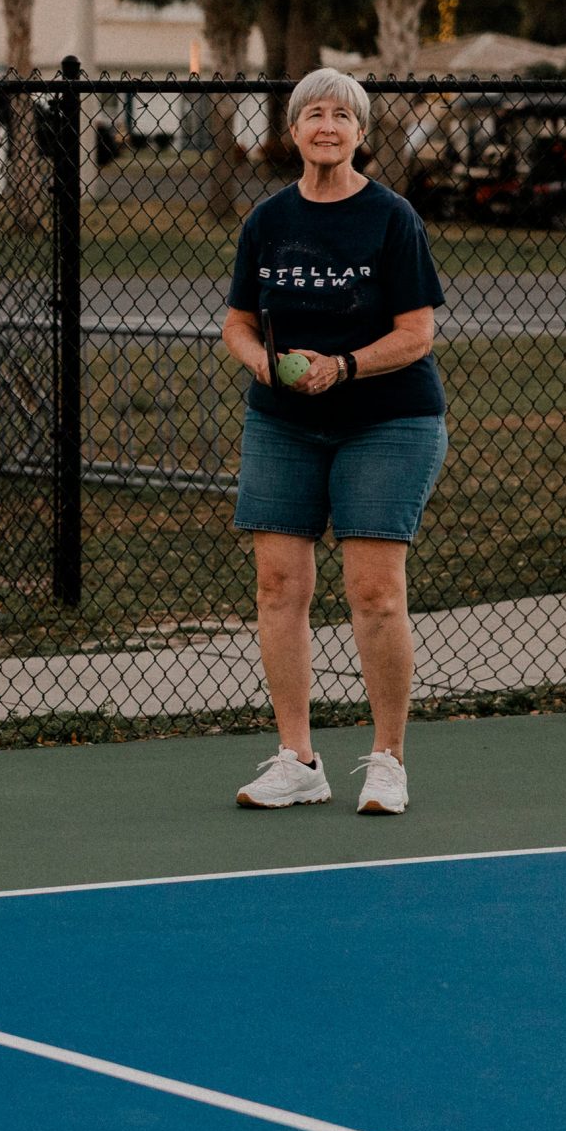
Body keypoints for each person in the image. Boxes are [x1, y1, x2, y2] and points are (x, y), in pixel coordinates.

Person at [221, 68, 448, 817]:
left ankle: (388, 760)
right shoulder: (267, 221)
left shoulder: (392, 219)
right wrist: (260, 364)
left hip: (389, 419)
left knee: (375, 592)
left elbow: (417, 333)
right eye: (312, 114)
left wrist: (344, 366)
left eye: (341, 116)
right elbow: (239, 321)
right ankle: (299, 760)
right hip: (283, 420)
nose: (326, 126)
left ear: (359, 134)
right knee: (279, 587)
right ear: (292, 133)